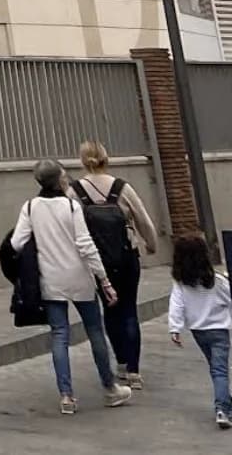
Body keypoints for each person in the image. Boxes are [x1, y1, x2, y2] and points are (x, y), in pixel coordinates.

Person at [12, 158, 133, 414]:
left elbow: (16, 242)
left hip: (50, 279)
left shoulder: (31, 207)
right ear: (59, 179)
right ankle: (110, 387)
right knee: (95, 331)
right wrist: (104, 279)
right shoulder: (70, 207)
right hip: (80, 278)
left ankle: (66, 396)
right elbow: (85, 245)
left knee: (59, 335)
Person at [72, 139, 159, 387]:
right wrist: (151, 245)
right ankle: (134, 370)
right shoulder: (122, 188)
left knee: (110, 310)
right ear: (106, 158)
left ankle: (120, 363)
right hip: (127, 256)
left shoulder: (76, 191)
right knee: (130, 310)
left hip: (99, 262)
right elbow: (144, 221)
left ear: (83, 160)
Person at [167, 234, 232, 430]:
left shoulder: (181, 283)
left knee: (215, 368)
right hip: (219, 330)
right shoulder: (217, 281)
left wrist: (175, 328)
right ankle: (222, 407)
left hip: (199, 331)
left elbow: (176, 305)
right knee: (220, 370)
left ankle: (227, 402)